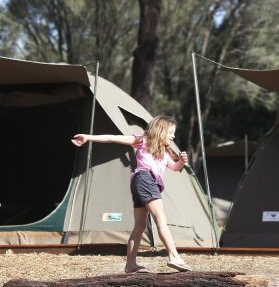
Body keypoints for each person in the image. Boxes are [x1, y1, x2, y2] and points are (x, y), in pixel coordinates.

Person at [71, 115, 192, 274]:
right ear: (161, 130)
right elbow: (113, 138)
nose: (173, 136)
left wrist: (181, 162)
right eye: (171, 132)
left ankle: (130, 264)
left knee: (140, 225)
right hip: (145, 179)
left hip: (142, 182)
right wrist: (88, 137)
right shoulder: (143, 141)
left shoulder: (165, 151)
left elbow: (175, 167)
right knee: (161, 219)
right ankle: (174, 256)